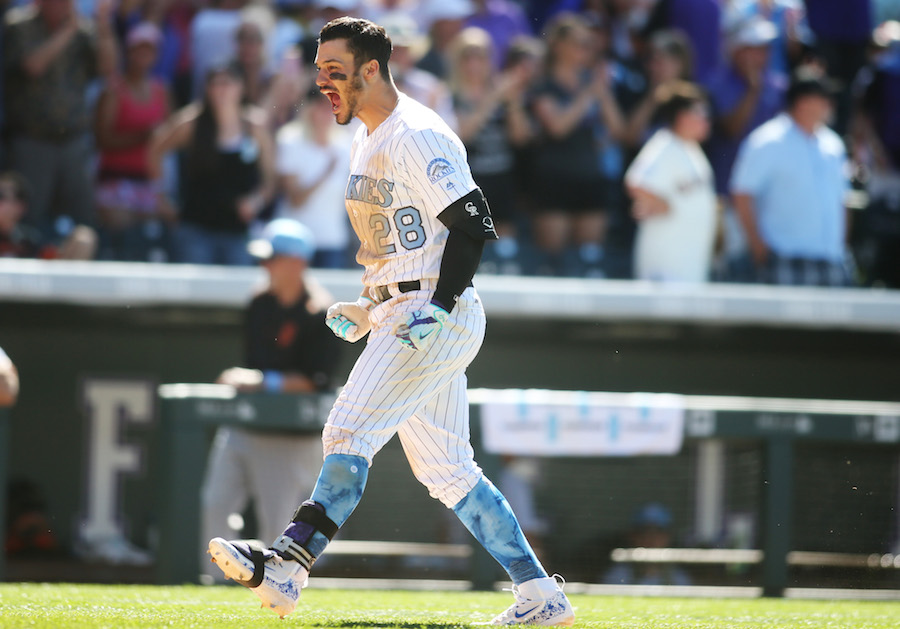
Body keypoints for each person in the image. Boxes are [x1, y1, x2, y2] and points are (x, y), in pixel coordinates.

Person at [208, 17, 575, 627]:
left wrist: (436, 304)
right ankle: (539, 594)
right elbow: (403, 242)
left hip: (435, 312)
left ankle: (288, 565)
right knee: (448, 469)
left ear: (372, 69)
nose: (323, 82)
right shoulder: (368, 136)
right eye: (319, 70)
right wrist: (370, 301)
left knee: (347, 430)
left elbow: (474, 223)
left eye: (335, 70)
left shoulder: (416, 132)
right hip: (406, 305)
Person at [201, 217, 342, 582]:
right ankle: (214, 585)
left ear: (296, 262)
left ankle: (275, 591)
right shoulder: (259, 302)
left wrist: (264, 382)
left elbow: (315, 381)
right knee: (214, 504)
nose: (265, 267)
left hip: (290, 435)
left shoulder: (320, 310)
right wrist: (257, 382)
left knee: (277, 526)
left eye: (273, 258)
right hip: (247, 424)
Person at [3, 0, 117, 241]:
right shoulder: (19, 24)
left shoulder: (84, 29)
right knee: (28, 217)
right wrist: (67, 32)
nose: (63, 5)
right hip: (31, 139)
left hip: (73, 140)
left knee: (85, 218)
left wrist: (104, 26)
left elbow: (107, 68)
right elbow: (33, 65)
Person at [730, 66, 853, 286]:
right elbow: (742, 194)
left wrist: (840, 245)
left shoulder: (833, 145)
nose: (829, 105)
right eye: (823, 98)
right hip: (784, 259)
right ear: (802, 102)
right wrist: (759, 248)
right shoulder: (767, 141)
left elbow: (841, 200)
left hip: (831, 260)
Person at [148, 62, 276, 265]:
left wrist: (255, 201)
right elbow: (155, 149)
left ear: (241, 86)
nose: (222, 89)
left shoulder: (254, 127)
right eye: (215, 83)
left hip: (236, 231)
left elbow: (270, 180)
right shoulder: (192, 123)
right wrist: (160, 196)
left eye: (228, 83)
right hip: (195, 228)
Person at [93, 21, 173, 262]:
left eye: (149, 50)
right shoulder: (113, 91)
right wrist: (144, 136)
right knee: (121, 233)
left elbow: (170, 137)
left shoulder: (162, 91)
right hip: (115, 181)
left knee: (160, 231)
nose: (143, 55)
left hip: (149, 183)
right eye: (138, 49)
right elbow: (103, 139)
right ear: (128, 52)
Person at [625, 81, 717, 283]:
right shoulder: (665, 144)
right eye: (701, 112)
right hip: (665, 267)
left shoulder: (692, 150)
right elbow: (635, 181)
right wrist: (663, 205)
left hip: (689, 264)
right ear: (682, 116)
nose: (707, 120)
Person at [275, 88, 354, 269]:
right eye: (321, 106)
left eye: (332, 107)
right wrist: (325, 172)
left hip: (333, 241)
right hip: (294, 243)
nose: (327, 113)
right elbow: (296, 199)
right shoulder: (290, 141)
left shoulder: (346, 145)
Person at [601, 502, 692, 586]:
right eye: (644, 533)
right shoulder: (617, 576)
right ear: (632, 536)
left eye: (657, 532)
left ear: (668, 537)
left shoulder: (679, 579)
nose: (650, 539)